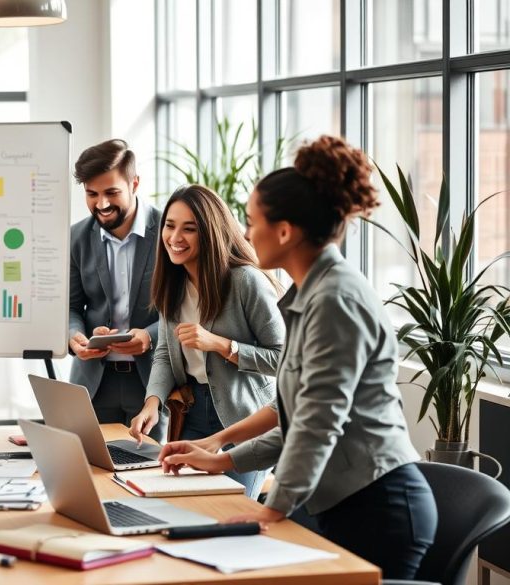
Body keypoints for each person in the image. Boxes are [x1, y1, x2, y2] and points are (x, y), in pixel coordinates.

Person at [160, 135, 437, 579]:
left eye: (252, 222)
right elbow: (294, 416)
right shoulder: (309, 296)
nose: (246, 234)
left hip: (378, 507)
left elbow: (317, 423)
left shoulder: (334, 299)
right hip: (344, 501)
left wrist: (273, 509)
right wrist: (221, 455)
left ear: (285, 231)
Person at [127, 184, 284, 499]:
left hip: (245, 419)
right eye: (170, 226)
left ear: (210, 232)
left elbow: (284, 359)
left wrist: (222, 345)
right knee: (189, 509)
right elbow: (163, 353)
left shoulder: (245, 281)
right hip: (191, 416)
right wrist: (152, 403)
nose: (175, 237)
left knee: (229, 512)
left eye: (189, 229)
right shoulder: (173, 284)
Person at [68, 139, 163, 440]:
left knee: (147, 474)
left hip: (152, 382)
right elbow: (70, 307)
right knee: (90, 471)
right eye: (91, 194)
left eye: (112, 192)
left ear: (134, 183)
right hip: (93, 383)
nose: (102, 204)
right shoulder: (77, 237)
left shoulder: (168, 233)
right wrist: (74, 337)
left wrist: (150, 336)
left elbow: (189, 310)